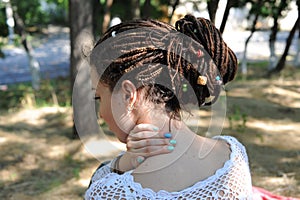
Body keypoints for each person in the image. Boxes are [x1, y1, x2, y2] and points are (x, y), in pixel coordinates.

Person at [85, 14, 253, 199]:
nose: (100, 114)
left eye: (98, 97)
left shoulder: (110, 193)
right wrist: (125, 162)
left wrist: (117, 167)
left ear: (128, 95)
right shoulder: (233, 156)